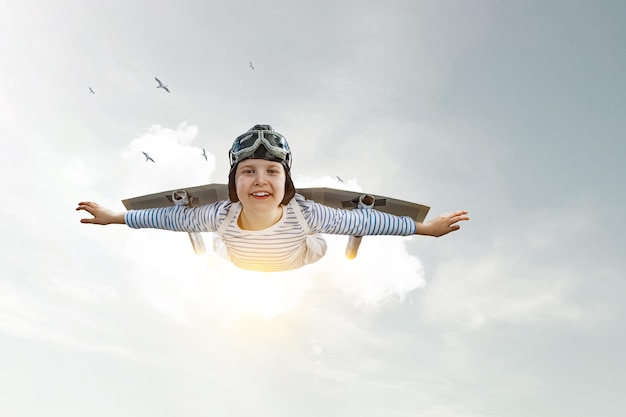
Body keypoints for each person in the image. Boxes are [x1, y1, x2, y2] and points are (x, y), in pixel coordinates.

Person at [76, 124, 469, 272]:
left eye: (271, 172)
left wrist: (424, 229)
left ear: (286, 181)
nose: (259, 180)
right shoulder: (218, 214)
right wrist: (114, 217)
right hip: (241, 261)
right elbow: (162, 218)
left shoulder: (308, 213)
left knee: (322, 244)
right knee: (205, 234)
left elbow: (368, 220)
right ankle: (207, 243)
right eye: (248, 171)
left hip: (296, 257)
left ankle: (347, 248)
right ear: (234, 181)